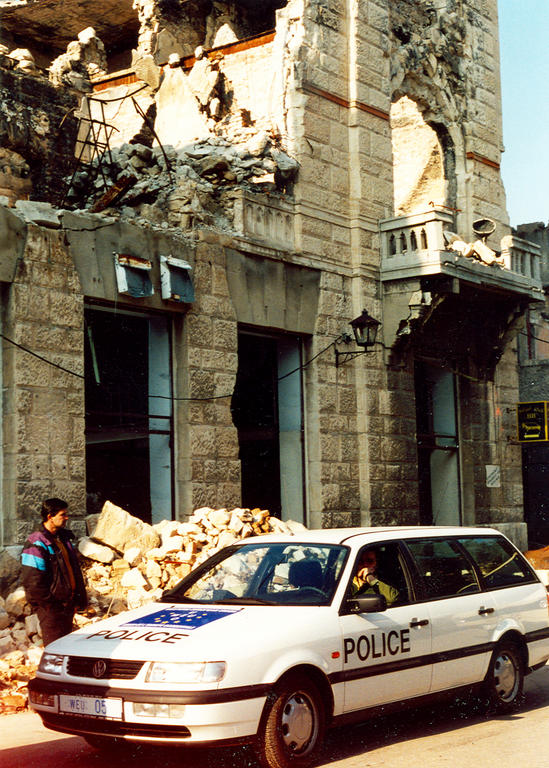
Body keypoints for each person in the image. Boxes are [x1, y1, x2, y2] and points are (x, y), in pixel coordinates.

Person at [21, 498, 87, 646]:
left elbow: (73, 570)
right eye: (63, 515)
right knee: (54, 651)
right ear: (50, 516)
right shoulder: (36, 543)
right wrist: (50, 606)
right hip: (51, 609)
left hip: (67, 606)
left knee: (66, 651)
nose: (67, 518)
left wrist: (78, 600)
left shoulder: (62, 539)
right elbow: (32, 581)